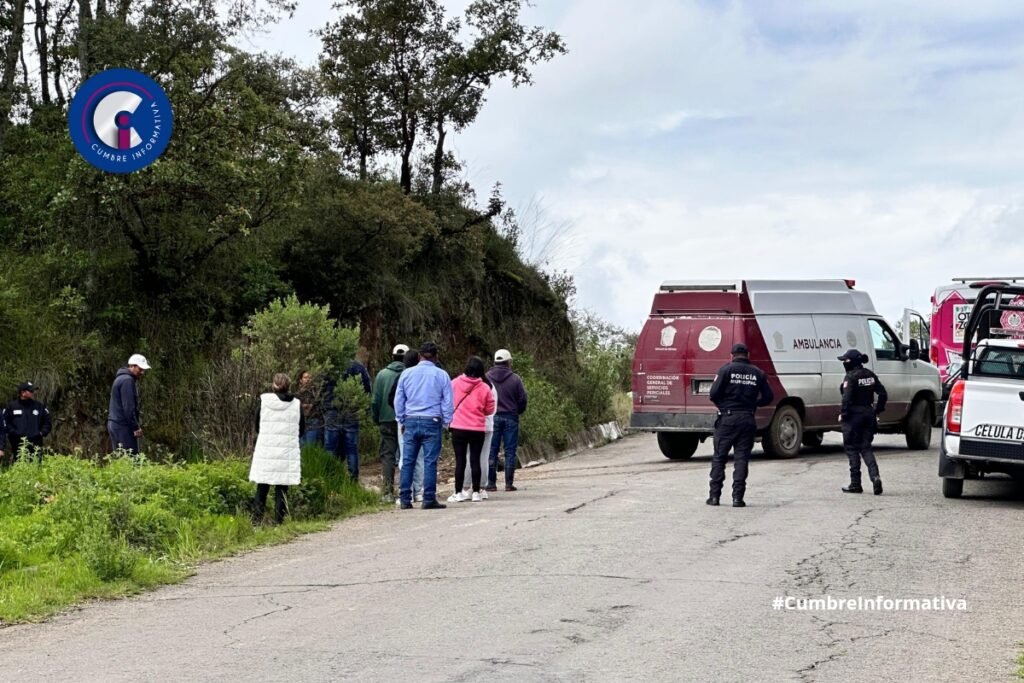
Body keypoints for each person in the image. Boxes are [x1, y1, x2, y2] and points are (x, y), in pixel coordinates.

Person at [707, 343, 774, 507]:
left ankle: (714, 497)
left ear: (732, 355)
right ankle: (738, 498)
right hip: (747, 419)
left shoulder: (725, 370)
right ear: (748, 355)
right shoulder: (758, 373)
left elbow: (713, 394)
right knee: (741, 459)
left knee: (719, 458)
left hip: (727, 419)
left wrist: (724, 407)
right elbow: (768, 397)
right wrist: (754, 403)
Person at [395, 341, 454, 510]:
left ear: (419, 356)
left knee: (408, 461)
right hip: (432, 420)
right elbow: (448, 402)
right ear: (436, 357)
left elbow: (399, 399)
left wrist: (401, 419)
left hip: (411, 420)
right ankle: (428, 498)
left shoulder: (406, 374)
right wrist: (446, 421)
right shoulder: (442, 375)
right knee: (430, 461)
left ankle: (405, 498)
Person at [250, 373, 304, 524]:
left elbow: (257, 425)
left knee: (262, 486)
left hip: (266, 449)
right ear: (289, 386)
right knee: (282, 487)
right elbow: (302, 429)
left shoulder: (264, 402)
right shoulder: (296, 405)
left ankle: (256, 521)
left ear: (273, 385)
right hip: (287, 451)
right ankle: (279, 522)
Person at [837, 349, 888, 495]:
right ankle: (875, 477)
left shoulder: (850, 377)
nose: (844, 364)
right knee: (865, 447)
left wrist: (843, 414)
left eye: (845, 361)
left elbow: (846, 399)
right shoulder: (870, 375)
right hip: (868, 415)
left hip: (854, 417)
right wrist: (877, 410)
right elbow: (883, 393)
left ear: (852, 362)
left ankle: (855, 484)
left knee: (852, 448)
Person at [448, 357, 497, 503]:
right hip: (477, 428)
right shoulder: (485, 387)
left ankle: (458, 492)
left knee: (460, 460)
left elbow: (448, 402)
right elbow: (490, 409)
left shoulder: (454, 383)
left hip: (458, 427)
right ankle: (476, 492)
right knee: (475, 459)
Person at [486, 349, 528, 492]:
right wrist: (517, 411)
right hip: (511, 417)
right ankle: (509, 483)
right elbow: (522, 399)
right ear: (508, 362)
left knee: (492, 451)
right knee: (510, 451)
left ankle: (491, 483)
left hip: (493, 417)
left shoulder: (486, 378)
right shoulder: (515, 379)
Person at [371, 343, 409, 502]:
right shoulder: (409, 373)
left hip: (386, 420)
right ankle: (407, 489)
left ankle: (387, 492)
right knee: (408, 454)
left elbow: (375, 401)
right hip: (406, 419)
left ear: (392, 356)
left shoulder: (382, 375)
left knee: (388, 455)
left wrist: (376, 418)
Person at [392, 348, 425, 503]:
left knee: (406, 457)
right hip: (426, 419)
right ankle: (419, 491)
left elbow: (394, 399)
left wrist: (401, 418)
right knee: (420, 458)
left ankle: (407, 492)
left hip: (407, 420)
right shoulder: (428, 375)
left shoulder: (403, 376)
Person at [337, 349, 372, 480]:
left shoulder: (334, 367)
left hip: (334, 412)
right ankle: (353, 478)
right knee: (352, 447)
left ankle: (333, 476)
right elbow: (367, 389)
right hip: (353, 412)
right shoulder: (359, 368)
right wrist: (364, 408)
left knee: (333, 447)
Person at [108, 354, 150, 455]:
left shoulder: (120, 378)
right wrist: (135, 427)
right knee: (131, 459)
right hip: (122, 426)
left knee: (120, 458)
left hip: (114, 424)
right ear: (132, 366)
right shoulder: (127, 380)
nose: (142, 372)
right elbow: (128, 408)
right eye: (140, 369)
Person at [463, 377, 497, 501]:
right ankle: (481, 488)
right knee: (483, 457)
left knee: (468, 455)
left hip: (467, 424)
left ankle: (466, 487)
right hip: (486, 425)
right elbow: (493, 408)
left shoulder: (463, 384)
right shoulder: (489, 386)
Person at [3, 382, 52, 460]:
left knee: (36, 463)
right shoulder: (11, 406)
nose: (33, 393)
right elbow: (5, 422)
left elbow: (47, 421)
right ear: (22, 392)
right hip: (18, 442)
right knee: (19, 463)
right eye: (31, 391)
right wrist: (13, 433)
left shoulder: (39, 406)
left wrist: (42, 432)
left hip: (35, 442)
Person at [296, 370, 325, 446]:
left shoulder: (316, 392)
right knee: (300, 445)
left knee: (310, 446)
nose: (308, 379)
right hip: (300, 421)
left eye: (310, 377)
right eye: (305, 377)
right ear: (301, 380)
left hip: (313, 421)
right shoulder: (297, 393)